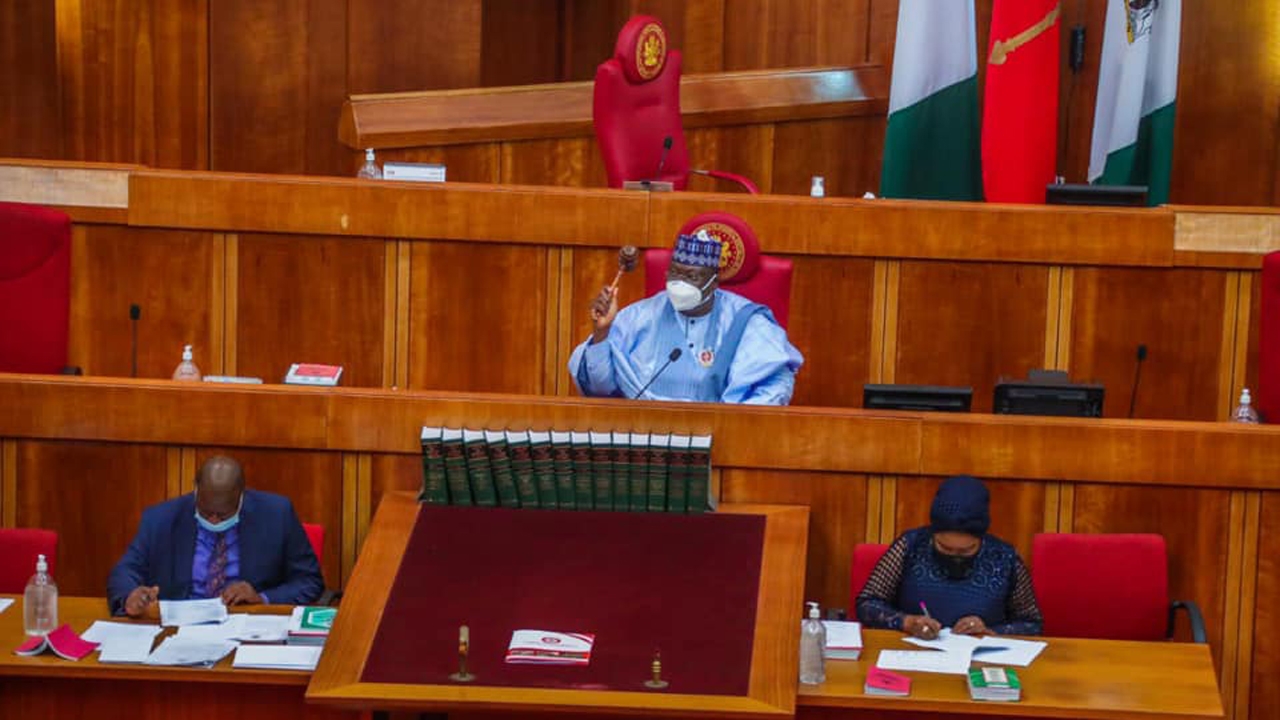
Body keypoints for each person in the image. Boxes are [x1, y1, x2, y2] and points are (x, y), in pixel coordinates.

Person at [568, 232, 803, 404]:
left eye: (692, 276)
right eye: (675, 273)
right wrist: (602, 332)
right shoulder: (639, 316)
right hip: (647, 436)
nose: (680, 283)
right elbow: (599, 389)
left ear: (714, 283)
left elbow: (776, 385)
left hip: (719, 439)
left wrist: (734, 427)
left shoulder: (746, 322)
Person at [107, 455, 323, 617]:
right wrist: (130, 596)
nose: (213, 520)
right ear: (196, 492)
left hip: (247, 624)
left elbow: (309, 581)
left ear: (241, 496)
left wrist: (262, 598)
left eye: (222, 514)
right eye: (206, 512)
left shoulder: (277, 514)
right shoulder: (161, 518)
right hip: (179, 627)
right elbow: (125, 570)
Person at [856, 475, 1042, 638]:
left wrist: (990, 631)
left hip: (980, 660)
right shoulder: (911, 545)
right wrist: (907, 622)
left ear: (980, 539)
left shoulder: (1004, 558)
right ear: (933, 535)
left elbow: (1031, 624)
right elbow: (867, 604)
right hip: (914, 655)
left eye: (966, 551)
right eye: (944, 548)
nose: (955, 556)